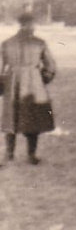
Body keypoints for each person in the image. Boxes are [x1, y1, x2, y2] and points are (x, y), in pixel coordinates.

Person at [2, 12, 56, 165]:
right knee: (32, 118)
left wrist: (3, 85)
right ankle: (31, 155)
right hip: (33, 83)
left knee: (10, 117)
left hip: (12, 83)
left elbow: (0, 68)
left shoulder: (7, 43)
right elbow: (51, 67)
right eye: (33, 24)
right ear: (29, 24)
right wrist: (43, 79)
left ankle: (9, 154)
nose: (34, 27)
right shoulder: (39, 43)